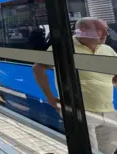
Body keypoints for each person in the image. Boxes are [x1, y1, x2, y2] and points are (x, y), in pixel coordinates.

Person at [33, 17, 117, 154]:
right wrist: (50, 98)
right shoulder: (64, 48)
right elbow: (38, 68)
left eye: (107, 30)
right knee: (87, 150)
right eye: (100, 31)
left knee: (107, 150)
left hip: (109, 111)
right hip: (80, 112)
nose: (107, 34)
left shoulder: (107, 50)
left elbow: (114, 77)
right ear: (83, 31)